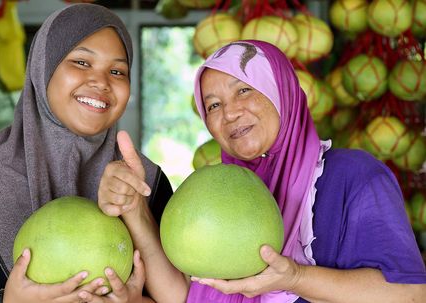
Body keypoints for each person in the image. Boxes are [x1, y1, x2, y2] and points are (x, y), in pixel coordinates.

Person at [96, 40, 426, 303]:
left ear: (282, 91)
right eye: (213, 105)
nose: (230, 113)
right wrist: (134, 209)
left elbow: (410, 294)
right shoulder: (219, 193)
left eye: (244, 89)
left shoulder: (353, 177)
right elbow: (189, 295)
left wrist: (295, 278)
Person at [0, 4, 173, 303]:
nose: (101, 82)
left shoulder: (143, 181)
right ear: (42, 68)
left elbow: (194, 295)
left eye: (117, 71)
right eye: (81, 62)